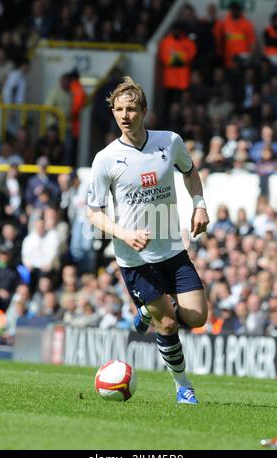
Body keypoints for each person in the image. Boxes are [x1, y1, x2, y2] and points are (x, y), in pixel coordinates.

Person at [87, 76, 209, 404]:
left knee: (198, 317)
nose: (124, 116)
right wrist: (125, 233)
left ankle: (144, 311)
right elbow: (93, 213)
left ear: (143, 110)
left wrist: (199, 205)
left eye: (131, 109)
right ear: (113, 112)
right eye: (118, 110)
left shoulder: (169, 142)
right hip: (135, 257)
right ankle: (183, 387)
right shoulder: (106, 159)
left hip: (170, 248)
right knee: (167, 323)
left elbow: (190, 172)